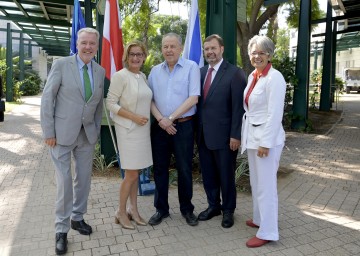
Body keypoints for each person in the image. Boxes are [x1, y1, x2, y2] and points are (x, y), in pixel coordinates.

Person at [40, 27, 105, 255]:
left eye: (92, 44)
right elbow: (48, 98)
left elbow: (97, 105)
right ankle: (61, 229)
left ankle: (78, 218)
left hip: (86, 136)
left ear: (97, 47)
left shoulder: (100, 70)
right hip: (60, 135)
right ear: (77, 44)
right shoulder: (61, 65)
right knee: (65, 182)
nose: (88, 47)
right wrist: (48, 131)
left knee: (84, 180)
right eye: (84, 42)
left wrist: (95, 131)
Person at [148, 32, 200, 226]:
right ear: (161, 49)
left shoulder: (191, 67)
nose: (169, 50)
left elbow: (193, 98)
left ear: (180, 48)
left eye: (172, 46)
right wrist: (162, 119)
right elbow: (150, 99)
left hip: (184, 126)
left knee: (184, 169)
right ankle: (161, 209)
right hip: (160, 127)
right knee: (160, 169)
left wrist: (170, 118)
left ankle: (187, 209)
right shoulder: (154, 71)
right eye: (165, 47)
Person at [240, 35, 286, 248]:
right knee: (255, 183)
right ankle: (259, 219)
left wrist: (266, 143)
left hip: (266, 141)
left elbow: (275, 114)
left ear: (269, 55)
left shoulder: (274, 78)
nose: (257, 56)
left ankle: (268, 231)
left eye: (261, 52)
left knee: (266, 187)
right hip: (252, 138)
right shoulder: (253, 76)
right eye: (254, 52)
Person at [197, 34, 246, 228]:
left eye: (213, 48)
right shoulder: (200, 73)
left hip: (226, 138)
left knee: (226, 175)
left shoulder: (235, 73)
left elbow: (238, 108)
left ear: (222, 49)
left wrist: (236, 135)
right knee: (208, 174)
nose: (210, 52)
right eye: (207, 49)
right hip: (203, 135)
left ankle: (228, 210)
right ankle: (213, 206)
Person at [106, 41, 152, 230]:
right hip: (127, 130)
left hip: (142, 131)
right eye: (132, 54)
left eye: (139, 54)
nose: (135, 58)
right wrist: (133, 117)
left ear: (144, 56)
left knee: (137, 172)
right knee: (131, 173)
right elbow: (110, 103)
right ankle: (120, 211)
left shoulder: (143, 76)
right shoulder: (120, 76)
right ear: (126, 56)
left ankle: (133, 209)